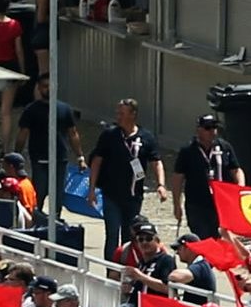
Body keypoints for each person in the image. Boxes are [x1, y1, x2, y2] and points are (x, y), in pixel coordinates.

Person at [87, 99, 160, 243]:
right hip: (111, 195)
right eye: (117, 113)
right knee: (112, 234)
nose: (118, 116)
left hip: (134, 196)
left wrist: (161, 184)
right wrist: (92, 189)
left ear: (133, 115)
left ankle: (125, 264)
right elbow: (96, 162)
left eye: (122, 113)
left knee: (129, 235)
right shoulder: (110, 135)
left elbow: (156, 162)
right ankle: (110, 265)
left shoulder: (146, 137)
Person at [172, 111, 235, 240]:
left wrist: (240, 188)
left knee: (220, 238)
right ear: (199, 130)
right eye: (208, 128)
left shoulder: (224, 147)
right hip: (197, 204)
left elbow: (236, 169)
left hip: (220, 203)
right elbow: (178, 178)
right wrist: (176, 204)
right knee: (203, 239)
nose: (212, 131)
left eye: (214, 127)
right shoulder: (188, 151)